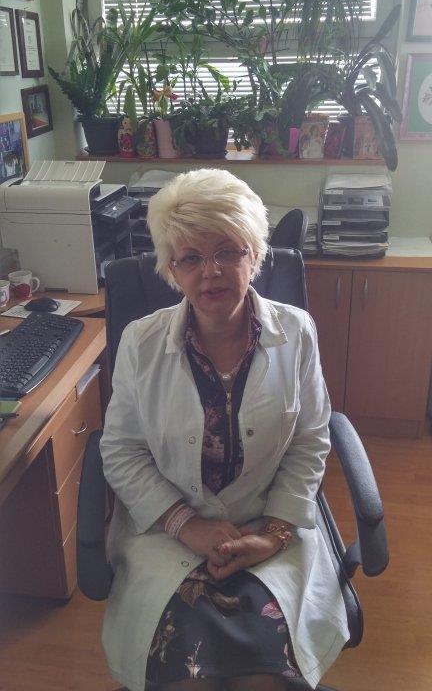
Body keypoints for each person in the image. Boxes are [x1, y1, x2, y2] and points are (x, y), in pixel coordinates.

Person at [100, 168, 349, 691]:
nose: (210, 272)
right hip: (170, 537)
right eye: (190, 257)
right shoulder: (140, 343)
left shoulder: (297, 333)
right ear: (171, 269)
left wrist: (273, 534)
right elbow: (122, 452)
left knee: (264, 679)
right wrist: (186, 524)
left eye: (227, 252)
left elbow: (310, 441)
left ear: (254, 256)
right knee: (188, 679)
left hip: (267, 527)